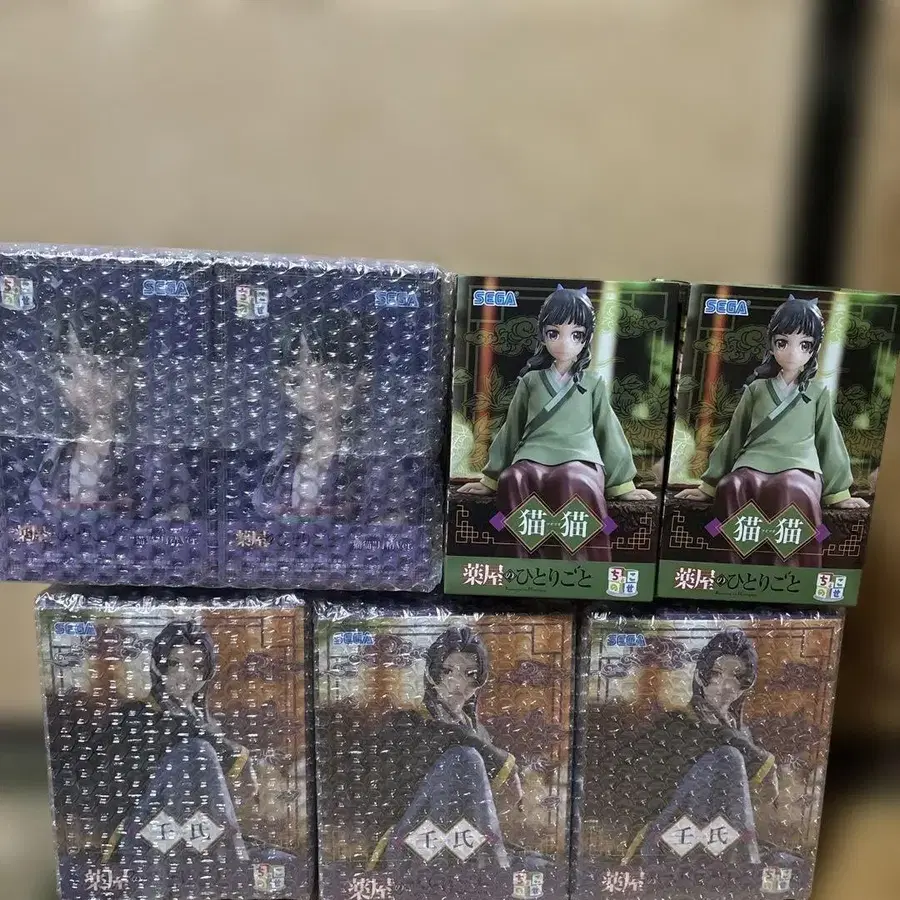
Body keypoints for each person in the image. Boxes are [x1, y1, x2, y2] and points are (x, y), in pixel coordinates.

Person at [90, 621, 297, 900]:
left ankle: (223, 863)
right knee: (196, 753)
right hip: (146, 841)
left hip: (195, 837)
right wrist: (238, 755)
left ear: (207, 673)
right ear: (157, 666)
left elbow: (234, 799)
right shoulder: (134, 716)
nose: (184, 674)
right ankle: (230, 866)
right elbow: (123, 799)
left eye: (196, 666)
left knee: (286, 865)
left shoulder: (208, 724)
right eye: (174, 663)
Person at [458, 286, 653, 560]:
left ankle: (577, 565)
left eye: (576, 335)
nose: (564, 343)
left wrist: (623, 485)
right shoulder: (530, 381)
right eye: (554, 333)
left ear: (586, 338)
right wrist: (491, 478)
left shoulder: (593, 382)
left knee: (570, 479)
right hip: (532, 456)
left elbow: (607, 429)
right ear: (543, 335)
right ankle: (518, 563)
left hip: (580, 458)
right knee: (514, 477)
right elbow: (511, 428)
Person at [676, 295, 867, 566]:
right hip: (753, 462)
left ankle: (788, 572)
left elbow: (829, 440)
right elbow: (735, 435)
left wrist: (839, 494)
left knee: (789, 488)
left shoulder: (817, 393)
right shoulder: (756, 389)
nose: (792, 352)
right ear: (772, 344)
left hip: (799, 466)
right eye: (782, 342)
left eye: (804, 345)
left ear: (813, 349)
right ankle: (732, 569)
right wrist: (710, 484)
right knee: (733, 486)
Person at [367, 626, 525, 871]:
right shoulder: (408, 724)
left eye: (470, 674)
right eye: (448, 671)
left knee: (536, 863)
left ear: (480, 679)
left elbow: (486, 809)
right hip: (413, 845)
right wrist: (503, 762)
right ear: (432, 673)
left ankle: (486, 863)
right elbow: (445, 736)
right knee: (465, 757)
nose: (458, 683)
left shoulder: (479, 733)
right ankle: (494, 865)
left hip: (462, 844)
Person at [617, 629, 778, 866]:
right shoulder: (676, 724)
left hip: (712, 843)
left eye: (736, 676)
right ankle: (746, 862)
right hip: (662, 843)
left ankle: (737, 861)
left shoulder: (743, 734)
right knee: (728, 757)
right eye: (716, 673)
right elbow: (711, 737)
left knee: (784, 860)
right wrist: (763, 762)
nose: (725, 685)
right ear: (702, 675)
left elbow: (738, 811)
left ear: (747, 683)